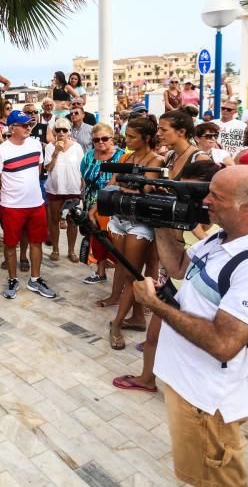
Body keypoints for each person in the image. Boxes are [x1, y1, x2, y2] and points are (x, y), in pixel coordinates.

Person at [132, 166, 248, 487]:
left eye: (216, 197)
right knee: (199, 476)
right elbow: (179, 267)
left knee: (216, 480)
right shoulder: (224, 238)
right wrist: (163, 222)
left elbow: (224, 343)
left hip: (207, 401)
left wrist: (155, 305)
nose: (206, 201)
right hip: (190, 385)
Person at [112, 160, 222, 396]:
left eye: (193, 193)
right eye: (183, 192)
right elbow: (177, 265)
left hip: (203, 299)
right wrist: (161, 221)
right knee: (152, 338)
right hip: (177, 285)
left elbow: (211, 256)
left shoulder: (224, 226)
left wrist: (192, 225)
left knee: (189, 351)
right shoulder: (184, 210)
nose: (188, 200)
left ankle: (187, 393)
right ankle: (146, 379)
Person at [103, 117, 164, 349]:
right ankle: (137, 318)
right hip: (119, 219)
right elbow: (113, 183)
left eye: (131, 137)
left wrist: (120, 188)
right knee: (127, 271)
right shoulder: (128, 157)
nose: (126, 140)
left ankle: (116, 324)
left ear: (146, 138)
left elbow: (143, 191)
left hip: (139, 223)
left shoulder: (156, 160)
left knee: (132, 274)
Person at [0, 110, 55, 299]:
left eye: (29, 124)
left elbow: (38, 169)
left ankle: (35, 279)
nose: (29, 128)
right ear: (12, 128)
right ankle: (12, 279)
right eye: (24, 125)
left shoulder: (36, 145)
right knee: (10, 244)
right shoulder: (1, 152)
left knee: (36, 242)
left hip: (36, 204)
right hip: (11, 207)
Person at [80, 122, 125, 284]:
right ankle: (100, 271)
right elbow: (84, 178)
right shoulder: (89, 156)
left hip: (114, 204)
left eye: (104, 138)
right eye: (96, 140)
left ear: (112, 138)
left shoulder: (122, 156)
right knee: (97, 238)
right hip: (92, 202)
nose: (100, 142)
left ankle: (121, 274)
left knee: (117, 239)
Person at [43, 117, 84, 262]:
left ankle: (71, 251)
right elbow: (47, 167)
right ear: (54, 131)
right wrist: (56, 151)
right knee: (54, 220)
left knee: (72, 220)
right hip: (55, 188)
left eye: (64, 130)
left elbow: (82, 168)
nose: (61, 132)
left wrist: (83, 185)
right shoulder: (49, 147)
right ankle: (55, 249)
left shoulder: (77, 147)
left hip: (72, 189)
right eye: (58, 129)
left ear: (69, 132)